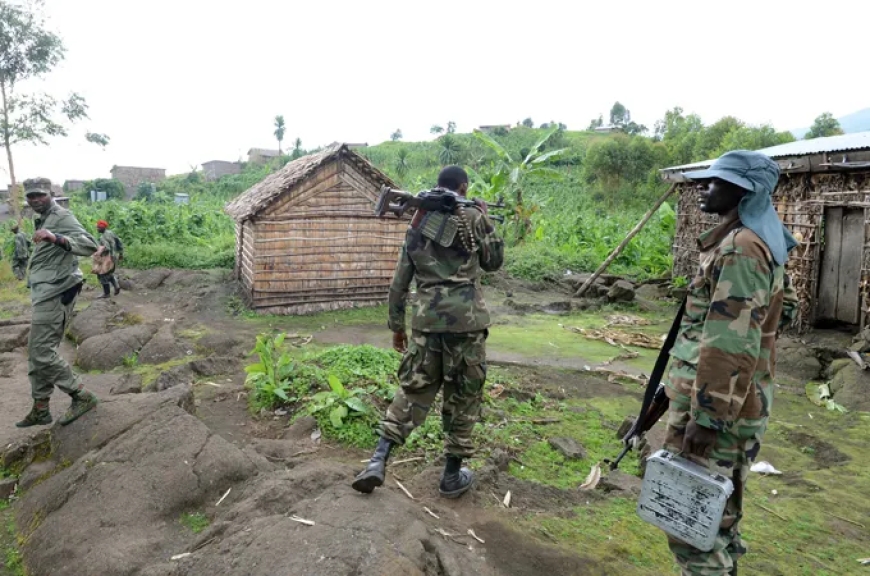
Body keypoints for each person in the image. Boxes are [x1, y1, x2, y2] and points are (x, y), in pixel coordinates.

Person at [662, 150, 798, 575]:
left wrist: (707, 417)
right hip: (741, 404)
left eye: (717, 180)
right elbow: (784, 311)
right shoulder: (763, 240)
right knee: (717, 521)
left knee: (691, 527)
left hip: (719, 413)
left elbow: (729, 341)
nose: (705, 186)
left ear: (746, 191)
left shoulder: (741, 247)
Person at [352, 165, 504, 498]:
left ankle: (377, 461)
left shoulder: (418, 220)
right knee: (464, 396)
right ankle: (451, 476)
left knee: (413, 389)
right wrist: (485, 219)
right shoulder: (473, 217)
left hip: (426, 324)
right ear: (463, 187)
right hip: (467, 323)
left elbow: (399, 283)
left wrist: (397, 327)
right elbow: (494, 262)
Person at [16, 177, 100, 428]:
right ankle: (41, 408)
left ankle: (81, 395)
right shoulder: (42, 218)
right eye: (31, 196)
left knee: (41, 352)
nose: (35, 200)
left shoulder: (61, 216)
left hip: (57, 291)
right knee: (38, 352)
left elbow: (90, 245)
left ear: (50, 194)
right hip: (45, 291)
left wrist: (55, 238)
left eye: (40, 195)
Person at [94, 219, 123, 298]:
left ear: (102, 227)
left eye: (98, 227)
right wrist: (121, 253)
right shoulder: (111, 233)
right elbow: (119, 242)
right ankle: (116, 286)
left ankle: (106, 294)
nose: (97, 229)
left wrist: (98, 253)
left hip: (107, 258)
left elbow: (106, 248)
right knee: (108, 273)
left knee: (101, 274)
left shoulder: (103, 237)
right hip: (114, 257)